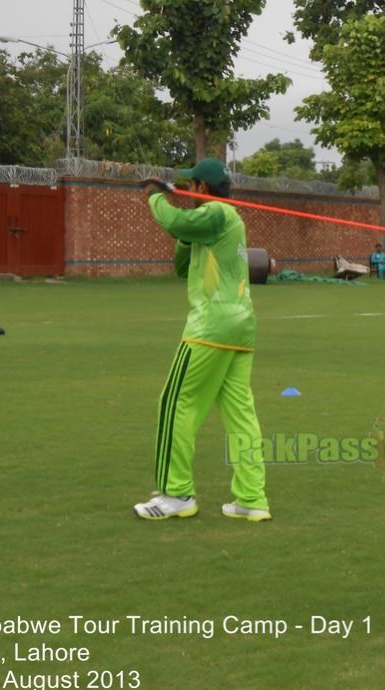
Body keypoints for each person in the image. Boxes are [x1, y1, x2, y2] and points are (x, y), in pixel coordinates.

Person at [134, 158, 271, 523]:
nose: (188, 193)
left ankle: (176, 494)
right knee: (240, 414)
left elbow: (175, 219)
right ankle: (251, 499)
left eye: (190, 187)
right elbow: (182, 264)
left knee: (176, 404)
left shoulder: (218, 214)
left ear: (201, 187)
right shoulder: (215, 224)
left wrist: (155, 198)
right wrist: (182, 234)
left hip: (212, 328)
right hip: (240, 328)